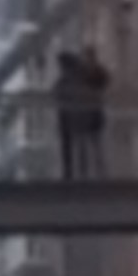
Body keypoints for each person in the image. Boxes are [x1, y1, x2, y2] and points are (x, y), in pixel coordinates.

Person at [52, 51, 87, 180]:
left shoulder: (69, 80)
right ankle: (74, 171)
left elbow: (57, 93)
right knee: (72, 144)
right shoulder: (67, 80)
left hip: (71, 115)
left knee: (72, 144)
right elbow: (56, 93)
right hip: (69, 116)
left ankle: (72, 171)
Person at [77, 46, 111, 177]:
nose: (88, 59)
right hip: (86, 111)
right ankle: (85, 172)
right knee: (86, 143)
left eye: (89, 56)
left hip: (94, 110)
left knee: (96, 143)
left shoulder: (97, 71)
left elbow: (105, 81)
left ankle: (99, 171)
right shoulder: (83, 72)